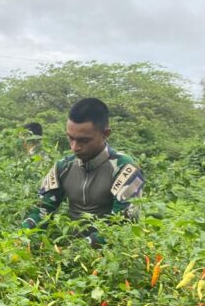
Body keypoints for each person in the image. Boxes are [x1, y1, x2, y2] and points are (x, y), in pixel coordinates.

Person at [20, 98, 144, 244]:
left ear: (105, 134)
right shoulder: (63, 166)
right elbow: (41, 210)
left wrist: (76, 250)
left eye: (84, 141)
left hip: (111, 258)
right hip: (71, 251)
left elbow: (122, 227)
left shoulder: (125, 169)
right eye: (70, 138)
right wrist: (22, 235)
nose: (75, 147)